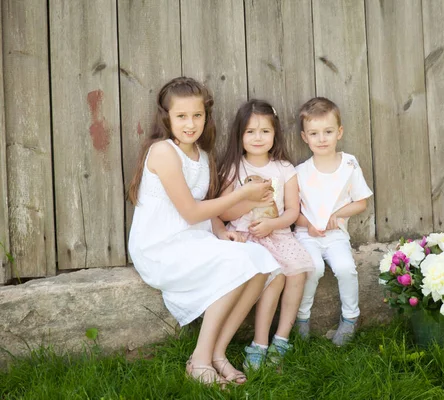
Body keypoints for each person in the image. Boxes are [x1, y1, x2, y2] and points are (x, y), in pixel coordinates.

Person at [127, 77, 280, 386]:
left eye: (197, 115)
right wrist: (242, 196)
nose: (190, 123)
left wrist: (221, 229)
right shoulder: (163, 152)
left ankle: (218, 354)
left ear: (206, 116)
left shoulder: (203, 155)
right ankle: (198, 360)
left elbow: (204, 207)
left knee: (262, 263)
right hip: (160, 247)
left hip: (193, 239)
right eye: (181, 116)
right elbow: (191, 211)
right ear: (167, 117)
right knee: (235, 264)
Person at [217, 100, 314, 369]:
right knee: (274, 277)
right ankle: (259, 342)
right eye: (250, 132)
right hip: (245, 236)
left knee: (298, 272)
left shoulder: (284, 169)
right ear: (239, 135)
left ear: (275, 134)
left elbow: (293, 210)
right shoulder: (234, 168)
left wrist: (273, 225)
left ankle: (281, 339)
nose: (258, 138)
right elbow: (223, 212)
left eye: (264, 131)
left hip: (278, 234)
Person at [293, 97, 373, 346]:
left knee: (345, 268)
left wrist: (336, 216)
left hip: (336, 234)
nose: (322, 139)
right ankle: (301, 318)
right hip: (307, 234)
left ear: (339, 132)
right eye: (314, 133)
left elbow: (361, 202)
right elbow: (292, 211)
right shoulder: (300, 171)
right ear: (305, 137)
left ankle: (350, 318)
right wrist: (308, 224)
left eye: (328, 132)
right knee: (312, 268)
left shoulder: (349, 165)